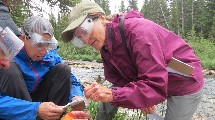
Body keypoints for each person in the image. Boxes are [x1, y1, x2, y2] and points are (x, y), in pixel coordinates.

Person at [61, 1, 204, 120]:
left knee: (112, 93)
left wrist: (122, 95)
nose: (85, 40)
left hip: (184, 80)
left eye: (85, 30)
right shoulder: (105, 45)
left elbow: (155, 86)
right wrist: (138, 98)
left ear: (102, 19)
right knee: (111, 92)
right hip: (154, 81)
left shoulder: (139, 32)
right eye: (78, 38)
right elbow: (116, 79)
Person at [0, 15, 86, 120]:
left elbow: (72, 81)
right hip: (15, 104)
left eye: (48, 45)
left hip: (39, 102)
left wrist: (76, 96)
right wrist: (35, 109)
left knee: (63, 70)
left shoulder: (49, 55)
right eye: (39, 44)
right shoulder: (5, 57)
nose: (44, 51)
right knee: (10, 70)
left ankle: (54, 116)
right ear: (23, 38)